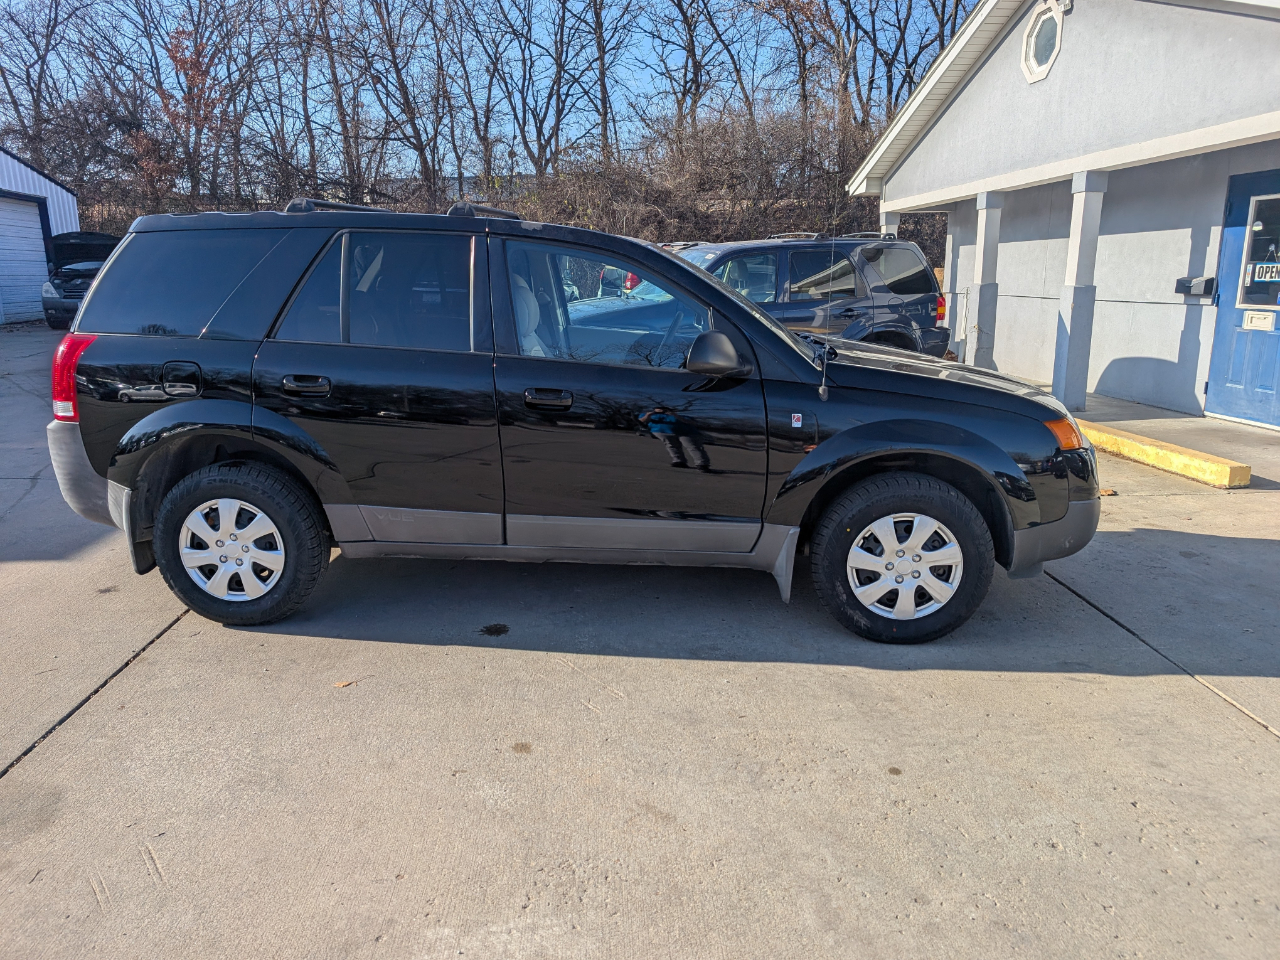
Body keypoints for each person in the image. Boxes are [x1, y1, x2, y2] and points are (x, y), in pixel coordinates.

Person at [640, 406, 709, 470]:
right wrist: (648, 415)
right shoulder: (650, 415)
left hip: (686, 433)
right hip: (663, 432)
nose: (661, 411)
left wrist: (675, 415)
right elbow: (641, 421)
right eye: (658, 409)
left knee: (692, 447)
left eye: (663, 409)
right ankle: (679, 461)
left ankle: (702, 463)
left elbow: (692, 423)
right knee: (671, 446)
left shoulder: (682, 416)